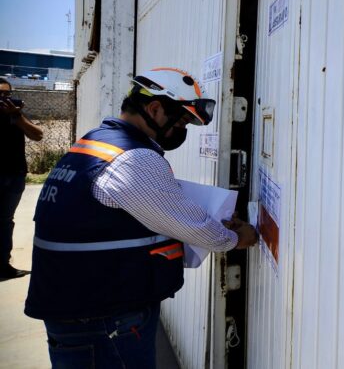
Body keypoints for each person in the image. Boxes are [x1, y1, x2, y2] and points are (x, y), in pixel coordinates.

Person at [24, 67, 258, 368]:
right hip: (104, 320)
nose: (182, 131)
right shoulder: (133, 158)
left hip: (79, 308)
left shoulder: (97, 142)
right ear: (155, 108)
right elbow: (197, 229)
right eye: (182, 121)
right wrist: (238, 237)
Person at [0, 77, 43, 280]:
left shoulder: (16, 116)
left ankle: (3, 265)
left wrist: (17, 117)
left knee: (6, 222)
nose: (4, 98)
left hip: (15, 175)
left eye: (7, 94)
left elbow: (38, 135)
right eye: (0, 94)